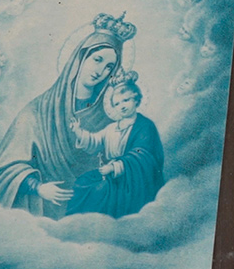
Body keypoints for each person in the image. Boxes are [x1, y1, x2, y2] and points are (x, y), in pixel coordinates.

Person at [0, 13, 134, 217]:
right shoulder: (36, 112)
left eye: (109, 67)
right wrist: (37, 187)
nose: (101, 71)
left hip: (92, 215)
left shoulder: (110, 116)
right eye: (97, 59)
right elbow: (5, 169)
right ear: (80, 56)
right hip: (44, 214)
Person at [64, 71, 165, 218]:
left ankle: (99, 226)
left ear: (136, 100)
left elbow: (143, 155)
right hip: (109, 174)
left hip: (132, 179)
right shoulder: (112, 128)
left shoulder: (145, 126)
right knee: (82, 183)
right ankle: (76, 224)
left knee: (100, 190)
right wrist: (78, 131)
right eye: (117, 103)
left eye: (126, 100)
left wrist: (114, 167)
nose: (122, 106)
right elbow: (94, 141)